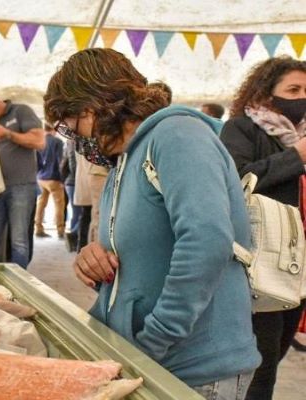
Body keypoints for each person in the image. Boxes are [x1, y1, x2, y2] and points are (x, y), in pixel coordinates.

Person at [44, 48, 260, 397]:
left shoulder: (178, 136)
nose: (80, 142)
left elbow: (206, 241)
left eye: (75, 126)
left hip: (195, 369)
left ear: (94, 105)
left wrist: (153, 342)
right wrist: (93, 259)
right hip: (150, 360)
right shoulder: (123, 163)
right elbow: (142, 249)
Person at [220, 56, 306, 400]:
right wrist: (296, 155)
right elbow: (237, 180)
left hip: (299, 264)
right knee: (261, 363)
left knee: (280, 350)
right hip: (263, 262)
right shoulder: (242, 128)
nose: (302, 97)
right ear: (267, 94)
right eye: (293, 89)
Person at [0, 88, 45, 268]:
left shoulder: (21, 112)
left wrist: (8, 134)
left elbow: (38, 141)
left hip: (21, 186)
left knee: (19, 239)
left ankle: (20, 281)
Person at [34, 123, 66, 238]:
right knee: (59, 205)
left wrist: (38, 174)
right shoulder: (57, 142)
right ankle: (60, 230)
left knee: (41, 204)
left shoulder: (39, 142)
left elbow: (36, 161)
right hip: (54, 178)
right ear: (53, 129)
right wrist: (62, 179)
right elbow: (60, 161)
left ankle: (38, 228)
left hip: (41, 178)